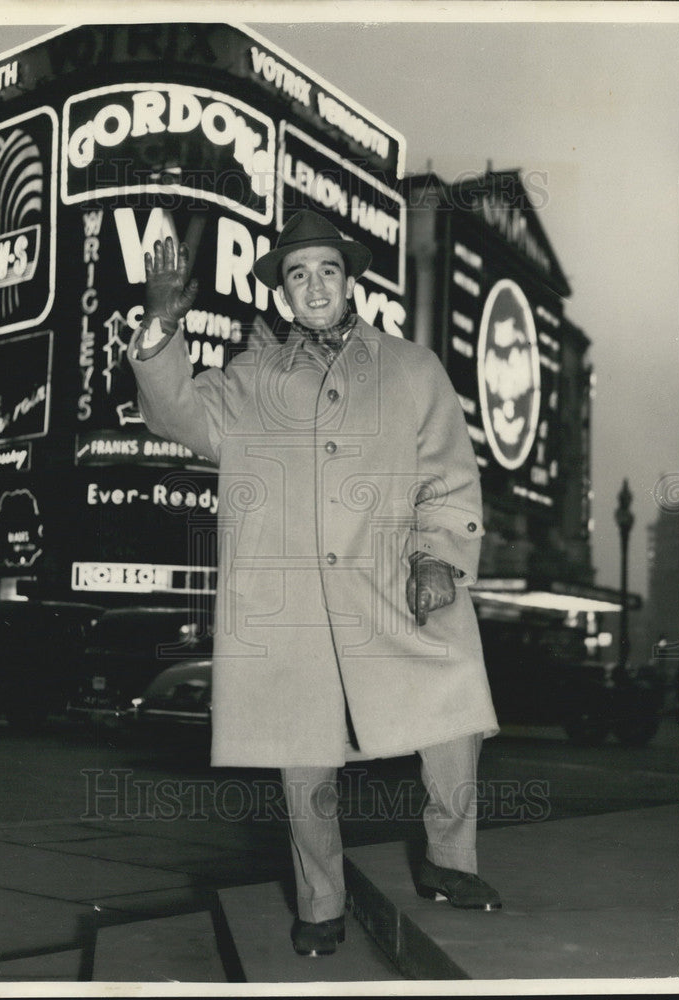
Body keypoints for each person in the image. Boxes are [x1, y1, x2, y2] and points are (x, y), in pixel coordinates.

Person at [128, 209, 501, 957]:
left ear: (350, 279)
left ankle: (448, 859)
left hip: (391, 585)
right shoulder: (251, 376)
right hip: (291, 603)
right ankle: (319, 901)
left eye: (327, 269)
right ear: (280, 294)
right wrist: (159, 329)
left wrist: (436, 558)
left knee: (455, 710)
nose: (314, 285)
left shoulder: (412, 367)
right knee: (305, 758)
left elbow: (449, 478)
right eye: (297, 274)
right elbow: (178, 417)